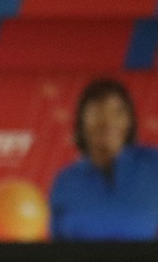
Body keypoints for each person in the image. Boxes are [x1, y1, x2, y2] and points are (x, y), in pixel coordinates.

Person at [50, 78, 158, 240]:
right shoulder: (65, 182)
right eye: (97, 112)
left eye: (117, 112)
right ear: (81, 123)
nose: (108, 122)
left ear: (129, 121)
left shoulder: (152, 165)